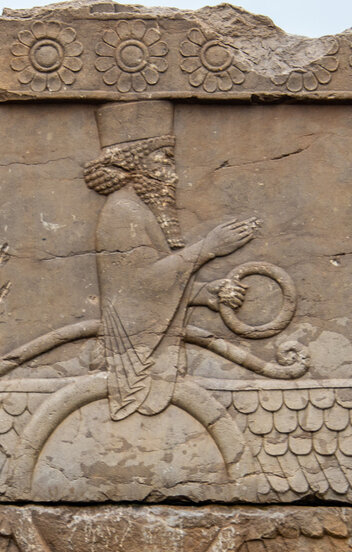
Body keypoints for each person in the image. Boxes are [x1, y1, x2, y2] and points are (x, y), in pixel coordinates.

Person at [83, 101, 260, 420]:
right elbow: (142, 284)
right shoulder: (123, 212)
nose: (173, 176)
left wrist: (207, 293)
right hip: (135, 357)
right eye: (165, 160)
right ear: (135, 164)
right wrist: (209, 247)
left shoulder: (138, 212)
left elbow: (151, 285)